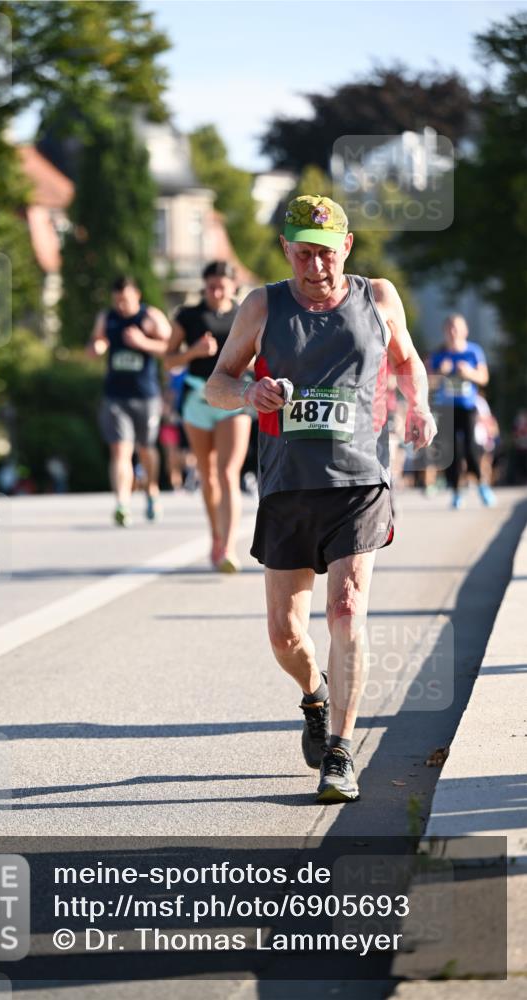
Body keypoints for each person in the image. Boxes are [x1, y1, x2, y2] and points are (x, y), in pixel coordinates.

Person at [206, 195, 436, 803]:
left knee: (347, 610)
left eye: (327, 254)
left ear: (348, 248)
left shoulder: (378, 297)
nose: (316, 267)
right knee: (286, 635)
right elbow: (217, 383)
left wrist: (421, 409)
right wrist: (248, 393)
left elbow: (408, 362)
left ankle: (340, 752)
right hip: (287, 483)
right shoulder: (263, 305)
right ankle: (315, 694)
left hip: (360, 481)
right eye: (304, 254)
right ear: (286, 250)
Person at [165, 261, 252, 571]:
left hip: (234, 399)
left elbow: (261, 351)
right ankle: (215, 535)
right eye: (211, 285)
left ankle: (228, 547)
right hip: (197, 400)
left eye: (222, 285)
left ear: (233, 286)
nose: (216, 291)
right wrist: (193, 353)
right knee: (207, 473)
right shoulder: (187, 316)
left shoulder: (245, 313)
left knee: (229, 472)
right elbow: (167, 359)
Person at [88, 276, 171, 526]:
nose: (121, 306)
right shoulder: (107, 317)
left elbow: (172, 347)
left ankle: (152, 491)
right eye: (117, 301)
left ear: (137, 295)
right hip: (115, 394)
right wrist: (97, 346)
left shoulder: (151, 316)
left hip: (145, 394)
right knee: (120, 449)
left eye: (124, 300)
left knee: (146, 449)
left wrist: (143, 342)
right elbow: (95, 342)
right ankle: (122, 503)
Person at [428, 315, 496, 509]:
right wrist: (440, 371)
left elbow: (484, 378)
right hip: (446, 408)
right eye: (449, 328)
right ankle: (456, 491)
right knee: (452, 452)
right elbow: (427, 382)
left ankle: (482, 486)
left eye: (456, 328)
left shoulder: (474, 351)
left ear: (465, 331)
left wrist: (469, 373)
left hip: (467, 407)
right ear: (444, 331)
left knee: (471, 447)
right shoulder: (439, 355)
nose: (453, 332)